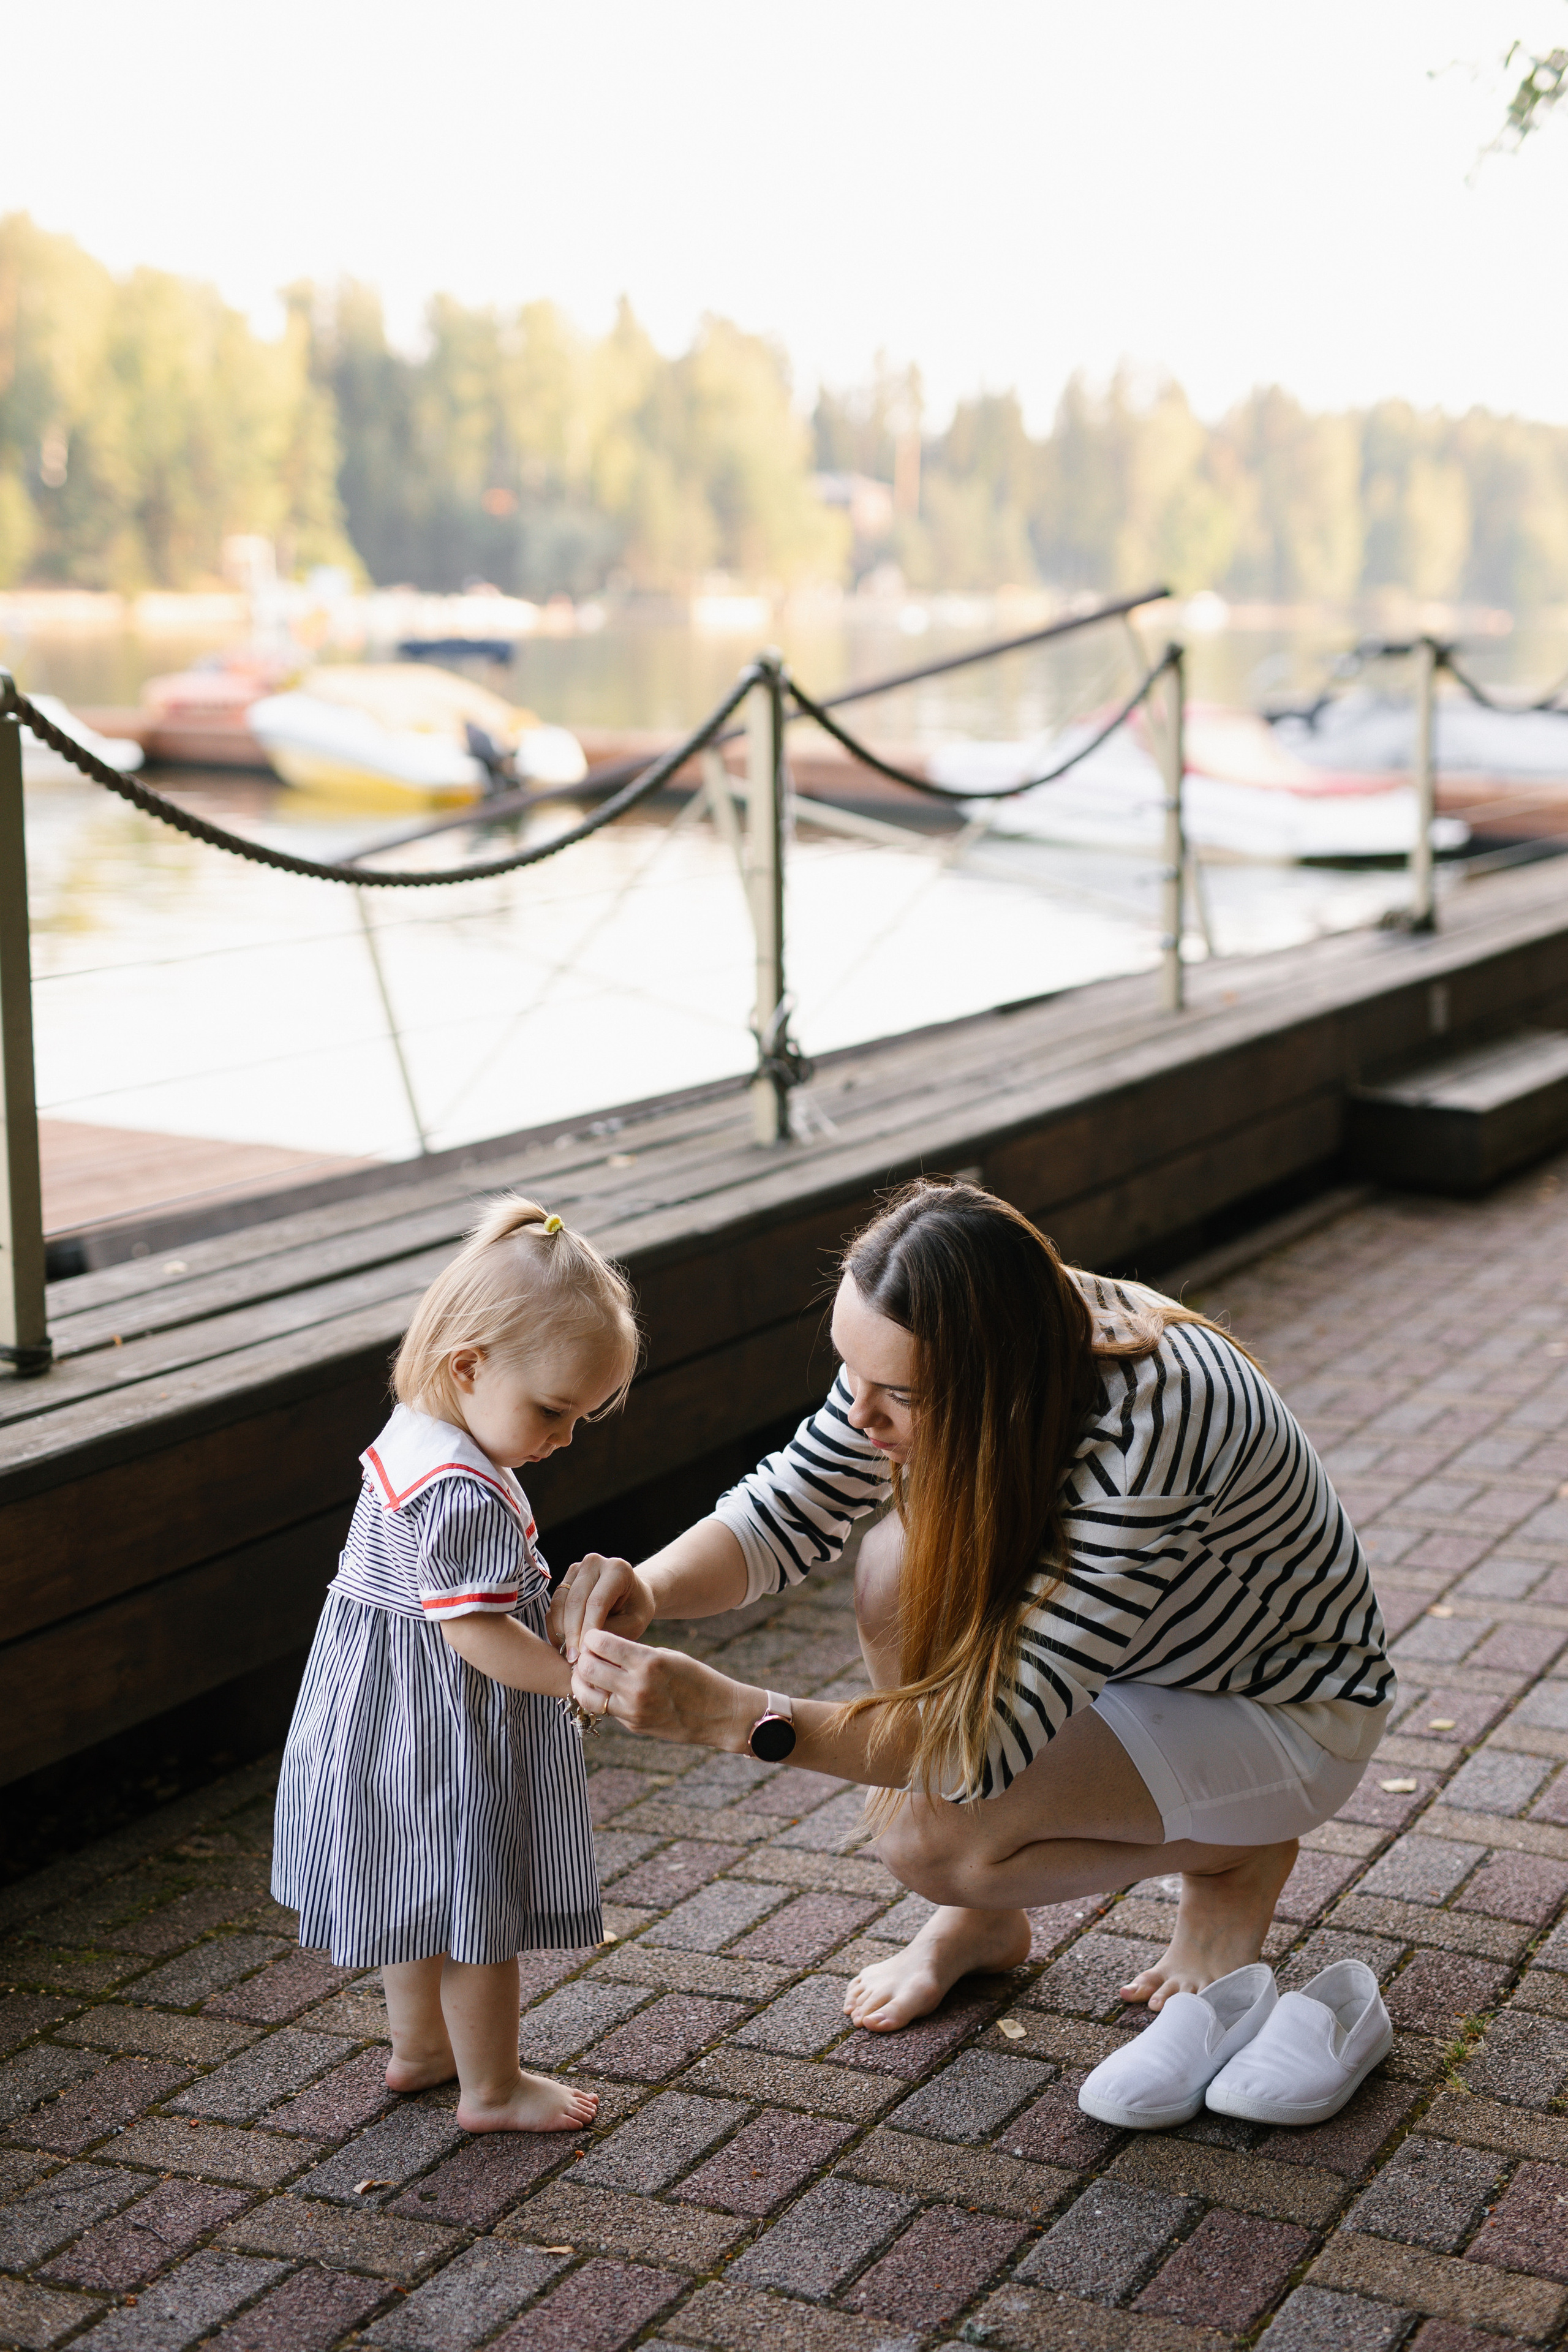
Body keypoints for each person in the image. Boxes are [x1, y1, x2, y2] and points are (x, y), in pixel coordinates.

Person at [556, 1178, 1392, 2038]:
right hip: (1119, 1657)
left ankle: (1235, 1857)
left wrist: (738, 1719)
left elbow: (982, 1744)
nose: (860, 1412)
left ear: (999, 1382)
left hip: (1280, 1707)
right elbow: (792, 1504)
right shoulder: (977, 1326)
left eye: (899, 1394)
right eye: (850, 1369)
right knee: (893, 1565)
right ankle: (984, 1921)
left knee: (933, 1842)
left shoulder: (1150, 1427)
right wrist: (648, 1588)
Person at [273, 1197, 638, 2133]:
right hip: (446, 1723)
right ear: (468, 1365)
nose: (564, 1437)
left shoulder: (419, 1431)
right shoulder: (462, 1492)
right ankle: (493, 2089)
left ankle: (423, 2049)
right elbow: (476, 1635)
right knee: (481, 1908)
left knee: (417, 1886)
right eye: (553, 1410)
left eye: (579, 1417)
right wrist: (574, 1680)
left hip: (381, 1711)